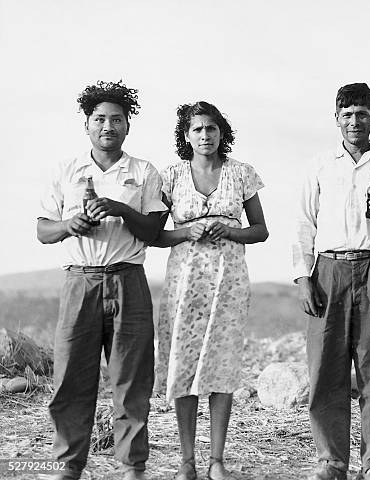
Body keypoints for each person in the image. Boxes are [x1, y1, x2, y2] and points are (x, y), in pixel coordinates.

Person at [37, 80, 167, 480]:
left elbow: (153, 231)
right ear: (87, 125)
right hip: (81, 281)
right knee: (71, 378)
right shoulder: (66, 170)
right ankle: (68, 464)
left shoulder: (144, 171)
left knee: (131, 379)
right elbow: (43, 231)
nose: (107, 126)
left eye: (116, 119)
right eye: (99, 119)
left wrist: (118, 208)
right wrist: (69, 224)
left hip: (129, 278)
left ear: (128, 126)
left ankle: (131, 466)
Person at [293, 83, 370, 480]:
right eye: (346, 114)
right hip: (328, 271)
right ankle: (331, 461)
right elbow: (303, 224)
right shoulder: (319, 165)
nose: (354, 121)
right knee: (326, 368)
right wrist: (303, 277)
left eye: (361, 113)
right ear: (336, 119)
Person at [152, 101, 268, 480]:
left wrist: (230, 230)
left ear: (222, 133)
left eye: (212, 129)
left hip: (229, 279)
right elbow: (156, 234)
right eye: (197, 129)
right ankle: (187, 460)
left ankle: (216, 459)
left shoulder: (241, 173)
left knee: (222, 363)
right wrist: (188, 231)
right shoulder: (170, 176)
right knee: (184, 364)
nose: (205, 135)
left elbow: (260, 230)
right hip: (185, 280)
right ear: (186, 136)